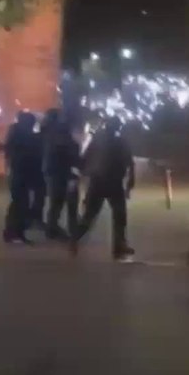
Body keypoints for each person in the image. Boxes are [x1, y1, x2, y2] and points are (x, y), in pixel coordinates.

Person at [70, 117, 135, 261]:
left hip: (97, 182)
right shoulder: (121, 142)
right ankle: (119, 247)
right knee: (119, 216)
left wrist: (81, 173)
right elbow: (130, 163)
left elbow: (85, 158)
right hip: (113, 182)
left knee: (89, 215)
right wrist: (130, 184)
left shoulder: (98, 140)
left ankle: (74, 239)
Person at [42, 108, 81, 240]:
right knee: (68, 202)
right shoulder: (64, 137)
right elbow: (71, 157)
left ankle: (52, 229)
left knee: (56, 203)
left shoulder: (48, 133)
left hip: (54, 172)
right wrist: (74, 174)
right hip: (63, 174)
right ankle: (70, 230)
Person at [3, 111, 41, 244]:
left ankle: (14, 232)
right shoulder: (24, 136)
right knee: (20, 204)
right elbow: (28, 155)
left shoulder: (16, 134)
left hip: (18, 173)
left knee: (18, 204)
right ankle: (14, 233)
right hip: (21, 174)